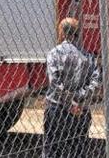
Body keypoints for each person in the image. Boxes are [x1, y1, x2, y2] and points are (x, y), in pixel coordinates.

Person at [43, 17, 101, 158]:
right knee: (78, 149)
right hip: (81, 111)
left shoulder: (54, 54)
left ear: (62, 32)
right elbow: (95, 82)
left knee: (53, 149)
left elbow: (55, 82)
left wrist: (69, 104)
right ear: (77, 33)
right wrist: (78, 100)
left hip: (57, 109)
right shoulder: (88, 56)